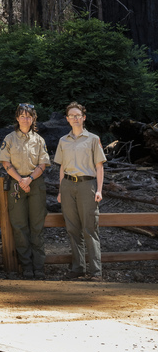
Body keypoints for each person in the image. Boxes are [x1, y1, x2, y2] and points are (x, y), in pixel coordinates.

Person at [0, 103, 50, 278]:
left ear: (33, 118)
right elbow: (6, 163)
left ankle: (39, 267)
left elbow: (42, 164)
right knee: (19, 226)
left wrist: (29, 179)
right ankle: (26, 266)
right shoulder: (10, 138)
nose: (25, 119)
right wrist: (20, 180)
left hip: (35, 183)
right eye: (22, 115)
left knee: (37, 226)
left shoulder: (39, 140)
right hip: (16, 184)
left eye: (29, 116)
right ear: (17, 118)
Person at [55, 101, 106, 282]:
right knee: (72, 228)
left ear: (83, 118)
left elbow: (99, 167)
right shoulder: (63, 141)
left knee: (90, 228)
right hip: (68, 186)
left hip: (87, 186)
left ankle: (96, 271)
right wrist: (61, 190)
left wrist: (99, 190)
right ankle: (78, 268)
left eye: (78, 115)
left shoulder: (93, 139)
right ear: (67, 119)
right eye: (71, 116)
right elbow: (62, 168)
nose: (75, 118)